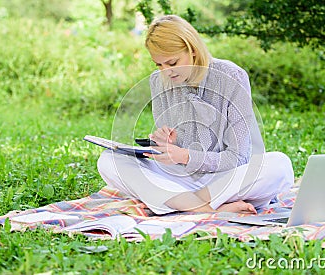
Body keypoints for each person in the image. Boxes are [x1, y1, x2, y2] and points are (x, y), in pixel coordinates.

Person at [97, 15, 294, 215]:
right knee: (109, 160)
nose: (166, 72)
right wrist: (163, 144)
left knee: (279, 165)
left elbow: (239, 157)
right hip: (180, 179)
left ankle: (178, 204)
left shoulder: (233, 76)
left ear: (192, 50)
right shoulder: (158, 82)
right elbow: (172, 155)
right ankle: (209, 210)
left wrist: (186, 155)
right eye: (159, 65)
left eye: (172, 63)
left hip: (225, 178)